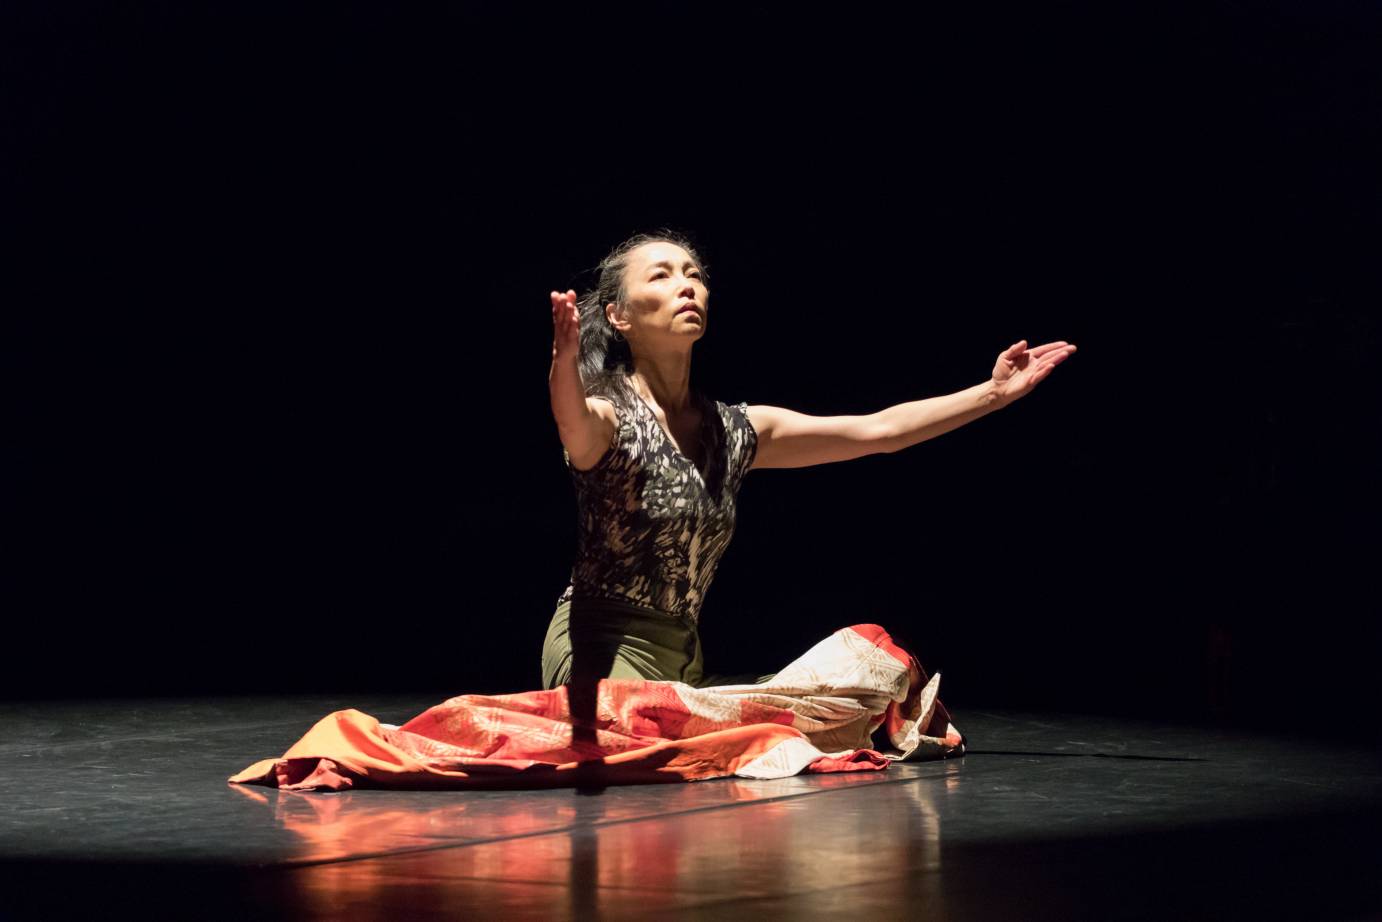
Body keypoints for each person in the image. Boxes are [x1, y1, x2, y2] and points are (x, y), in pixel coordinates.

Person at [543, 229, 1075, 693]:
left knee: (859, 673)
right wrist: (564, 362)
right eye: (660, 276)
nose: (687, 285)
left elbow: (878, 431)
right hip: (600, 648)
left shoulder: (733, 430)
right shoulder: (611, 418)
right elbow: (574, 422)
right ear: (618, 316)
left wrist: (991, 394)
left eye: (695, 274)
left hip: (683, 653)